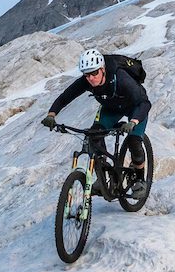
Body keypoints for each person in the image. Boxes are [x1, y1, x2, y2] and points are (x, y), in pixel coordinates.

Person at [41, 49, 151, 198]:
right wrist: (51, 115)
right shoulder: (87, 81)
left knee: (134, 141)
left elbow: (144, 103)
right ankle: (102, 179)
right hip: (110, 109)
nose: (91, 78)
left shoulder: (122, 79)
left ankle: (140, 180)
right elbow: (65, 97)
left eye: (94, 73)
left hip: (135, 108)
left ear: (102, 69)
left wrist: (133, 121)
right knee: (94, 136)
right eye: (87, 74)